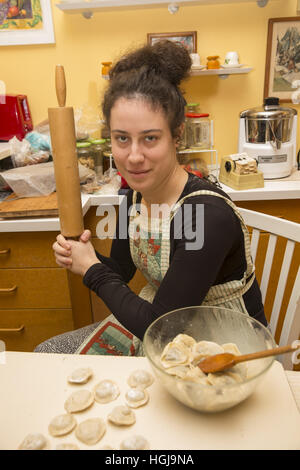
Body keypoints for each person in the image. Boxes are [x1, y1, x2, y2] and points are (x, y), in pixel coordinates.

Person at [35, 40, 267, 356]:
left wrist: (92, 270)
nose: (133, 157)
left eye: (150, 138)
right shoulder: (132, 197)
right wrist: (84, 255)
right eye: (121, 139)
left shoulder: (206, 215)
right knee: (50, 352)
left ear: (177, 135)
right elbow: (120, 271)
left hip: (223, 340)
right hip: (160, 323)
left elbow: (161, 324)